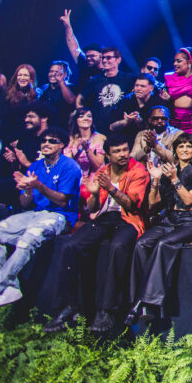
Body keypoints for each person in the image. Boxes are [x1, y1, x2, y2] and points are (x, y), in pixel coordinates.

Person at [0, 128, 81, 315]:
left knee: (27, 239)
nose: (46, 143)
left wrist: (38, 185)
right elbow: (24, 202)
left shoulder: (70, 167)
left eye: (52, 141)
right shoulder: (35, 166)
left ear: (62, 145)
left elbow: (62, 200)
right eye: (44, 140)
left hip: (60, 216)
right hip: (36, 213)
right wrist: (27, 189)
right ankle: (9, 287)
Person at [43, 135, 150, 333]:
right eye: (117, 151)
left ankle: (106, 311)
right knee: (70, 246)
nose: (123, 154)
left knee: (117, 247)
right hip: (105, 218)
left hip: (128, 218)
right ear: (108, 155)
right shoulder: (103, 171)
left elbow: (132, 205)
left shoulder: (138, 171)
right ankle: (68, 307)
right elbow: (94, 207)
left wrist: (111, 188)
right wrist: (92, 194)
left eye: (125, 149)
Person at [126, 133, 192, 325]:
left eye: (189, 147)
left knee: (163, 244)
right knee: (142, 244)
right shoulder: (168, 170)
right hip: (169, 220)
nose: (185, 150)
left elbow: (188, 200)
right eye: (181, 147)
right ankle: (138, 298)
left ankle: (146, 303)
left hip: (190, 222)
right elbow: (154, 206)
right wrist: (155, 181)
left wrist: (173, 179)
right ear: (175, 150)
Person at [78, 47, 135, 132]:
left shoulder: (130, 78)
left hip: (121, 127)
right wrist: (81, 114)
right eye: (103, 58)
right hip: (98, 128)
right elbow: (80, 98)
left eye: (108, 57)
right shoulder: (94, 80)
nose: (104, 60)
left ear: (118, 60)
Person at [64, 107, 106, 205]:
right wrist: (76, 147)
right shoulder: (70, 139)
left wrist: (87, 150)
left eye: (89, 116)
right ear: (76, 120)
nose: (86, 118)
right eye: (81, 116)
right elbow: (67, 164)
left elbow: (98, 165)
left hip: (95, 178)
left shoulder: (100, 138)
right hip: (77, 178)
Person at [161, 48, 192, 134]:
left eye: (178, 61)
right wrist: (168, 99)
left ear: (189, 62)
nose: (175, 64)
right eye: (174, 61)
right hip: (174, 122)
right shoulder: (169, 78)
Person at [130, 105, 181, 174]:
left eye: (163, 118)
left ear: (168, 120)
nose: (159, 121)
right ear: (149, 120)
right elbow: (132, 158)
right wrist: (146, 149)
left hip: (166, 175)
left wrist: (155, 145)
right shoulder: (142, 135)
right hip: (144, 174)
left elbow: (176, 160)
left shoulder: (177, 134)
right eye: (156, 119)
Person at [110, 73, 158, 140]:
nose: (138, 89)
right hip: (126, 138)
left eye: (142, 86)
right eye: (136, 85)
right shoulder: (126, 100)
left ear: (151, 88)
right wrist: (126, 121)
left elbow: (157, 128)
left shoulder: (157, 102)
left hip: (149, 140)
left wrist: (139, 121)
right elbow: (112, 127)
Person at [36, 61, 76, 134]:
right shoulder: (45, 88)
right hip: (47, 129)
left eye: (57, 72)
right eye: (51, 71)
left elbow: (71, 101)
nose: (53, 74)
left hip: (64, 129)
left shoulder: (70, 87)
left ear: (65, 74)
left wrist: (61, 82)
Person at [2, 64, 38, 141]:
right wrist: (14, 137)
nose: (22, 78)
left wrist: (32, 90)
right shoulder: (7, 94)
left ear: (31, 78)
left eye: (25, 75)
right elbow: (5, 118)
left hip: (28, 136)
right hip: (10, 135)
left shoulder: (36, 95)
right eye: (20, 75)